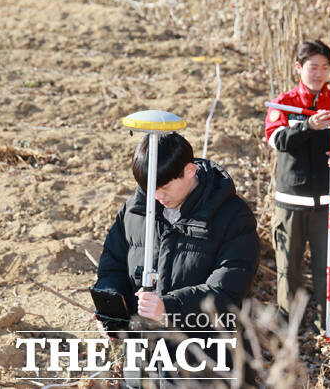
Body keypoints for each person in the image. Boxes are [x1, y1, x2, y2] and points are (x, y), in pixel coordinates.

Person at [94, 132, 260, 386]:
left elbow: (227, 291)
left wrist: (168, 308)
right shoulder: (134, 211)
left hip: (204, 363)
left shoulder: (233, 217)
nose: (157, 196)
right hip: (144, 361)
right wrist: (111, 310)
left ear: (190, 171)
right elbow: (112, 265)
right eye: (150, 188)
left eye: (165, 187)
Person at [264, 40, 330, 332]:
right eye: (312, 67)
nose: (319, 74)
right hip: (291, 203)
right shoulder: (284, 103)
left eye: (324, 68)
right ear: (299, 68)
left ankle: (327, 323)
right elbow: (276, 140)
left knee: (328, 267)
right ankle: (289, 327)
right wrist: (308, 127)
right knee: (288, 268)